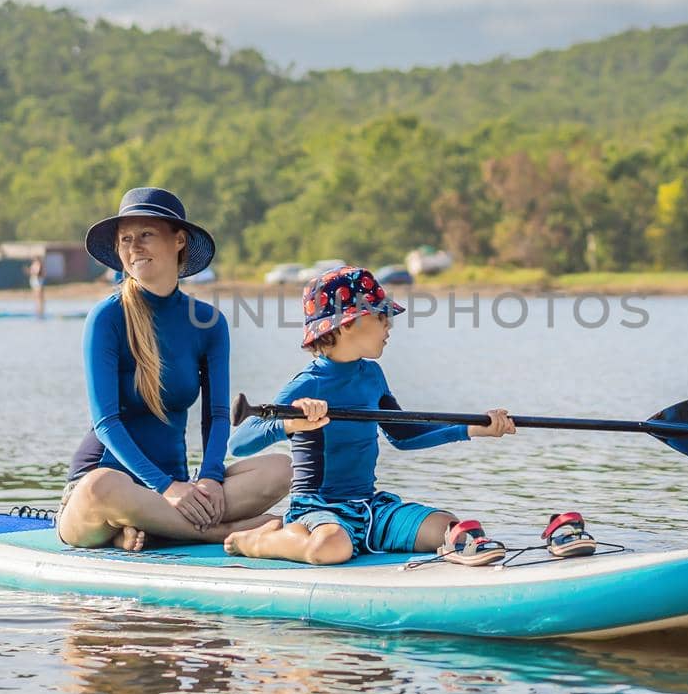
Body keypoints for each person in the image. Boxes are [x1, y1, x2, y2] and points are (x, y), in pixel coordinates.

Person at [224, 266, 517, 567]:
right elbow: (239, 443)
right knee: (332, 547)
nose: (389, 325)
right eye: (381, 316)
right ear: (347, 324)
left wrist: (472, 428)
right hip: (316, 511)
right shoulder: (308, 383)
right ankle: (257, 540)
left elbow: (404, 435)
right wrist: (290, 423)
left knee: (446, 527)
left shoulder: (372, 375)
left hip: (369, 507)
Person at [57, 188, 290, 550]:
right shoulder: (107, 317)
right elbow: (106, 423)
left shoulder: (208, 322)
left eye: (146, 235)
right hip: (105, 493)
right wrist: (163, 487)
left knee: (280, 469)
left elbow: (215, 415)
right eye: (126, 239)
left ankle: (150, 530)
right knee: (101, 486)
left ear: (178, 240)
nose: (134, 247)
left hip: (181, 489)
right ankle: (220, 533)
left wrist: (210, 478)